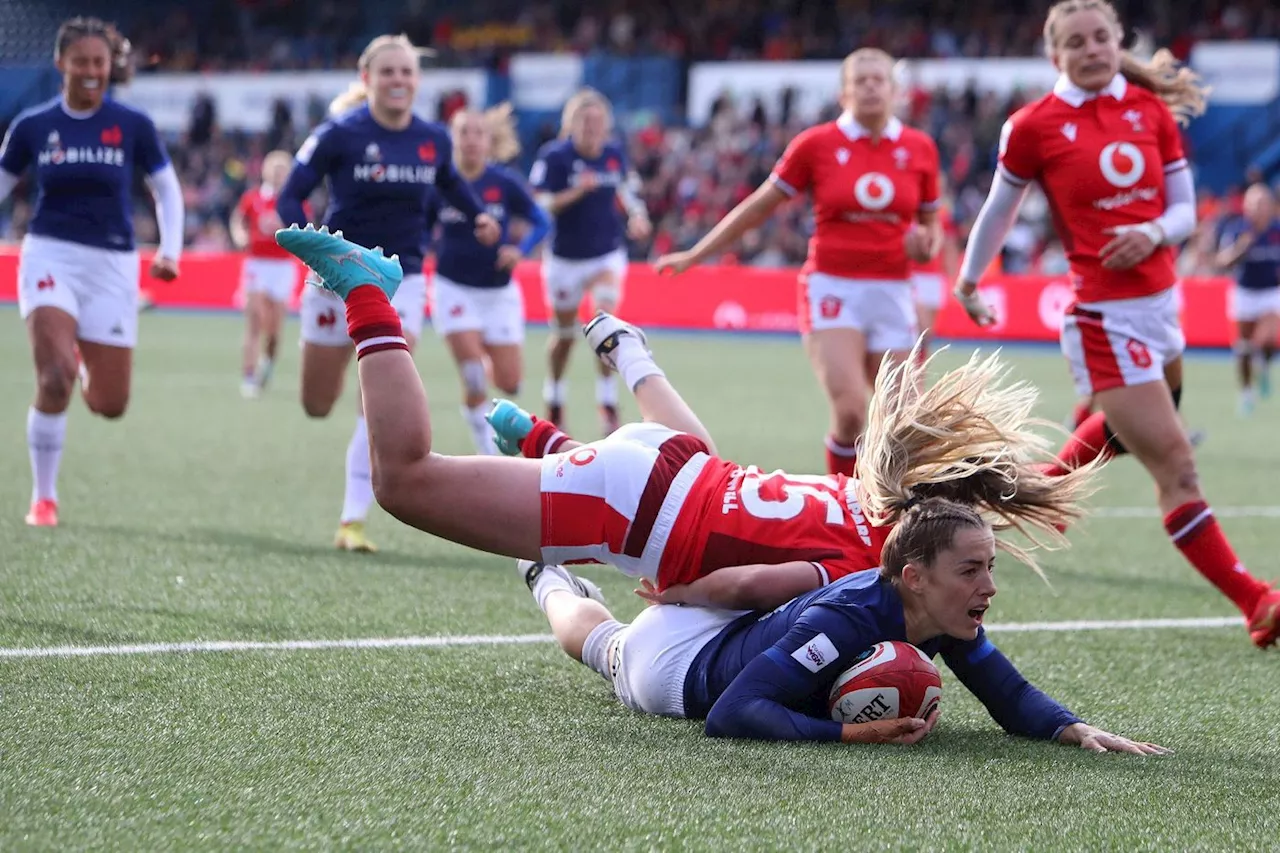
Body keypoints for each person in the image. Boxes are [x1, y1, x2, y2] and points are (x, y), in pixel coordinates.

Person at [275, 224, 1095, 613]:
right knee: (407, 482)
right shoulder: (866, 559)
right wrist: (670, 598)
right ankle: (369, 293)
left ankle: (589, 393)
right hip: (634, 502)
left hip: (679, 459)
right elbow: (742, 584)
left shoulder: (862, 492)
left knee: (701, 466)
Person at [951, 0, 1280, 648]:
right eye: (1076, 41)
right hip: (1103, 315)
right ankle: (1258, 601)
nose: (1092, 48)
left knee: (1134, 434)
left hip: (1162, 304)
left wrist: (1153, 231)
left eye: (1102, 36)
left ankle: (1017, 493)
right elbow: (997, 209)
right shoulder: (1033, 126)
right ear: (1055, 55)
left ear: (1117, 40)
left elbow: (1185, 210)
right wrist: (968, 278)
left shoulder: (1150, 110)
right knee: (1177, 465)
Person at [655, 49, 943, 478]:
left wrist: (924, 246)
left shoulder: (920, 148)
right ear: (844, 92)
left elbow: (930, 228)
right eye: (859, 80)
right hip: (833, 287)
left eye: (878, 79)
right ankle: (844, 506)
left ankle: (894, 514)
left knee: (904, 420)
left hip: (893, 290)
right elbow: (758, 207)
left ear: (895, 90)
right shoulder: (816, 144)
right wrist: (697, 253)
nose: (869, 87)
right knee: (850, 413)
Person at [275, 33, 499, 552]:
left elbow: (449, 184)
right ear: (366, 78)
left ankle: (352, 520)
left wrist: (479, 215)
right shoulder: (339, 134)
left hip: (403, 278)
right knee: (316, 402)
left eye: (406, 73)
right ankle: (352, 513)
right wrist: (310, 245)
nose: (398, 80)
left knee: (372, 398)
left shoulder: (433, 139)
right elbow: (291, 192)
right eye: (388, 72)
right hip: (336, 278)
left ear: (417, 82)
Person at [0, 16, 184, 527]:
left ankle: (79, 352)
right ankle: (44, 497)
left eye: (98, 62)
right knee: (53, 378)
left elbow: (166, 189)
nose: (90, 70)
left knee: (109, 403)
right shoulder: (33, 126)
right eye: (80, 61)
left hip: (113, 265)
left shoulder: (133, 126)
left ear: (110, 66)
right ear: (60, 63)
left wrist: (170, 251)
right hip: (49, 255)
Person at [530, 88, 651, 435]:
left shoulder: (614, 156)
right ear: (571, 124)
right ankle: (554, 394)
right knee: (565, 335)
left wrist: (637, 215)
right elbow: (540, 204)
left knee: (605, 322)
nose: (592, 128)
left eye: (598, 122)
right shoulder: (555, 157)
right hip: (565, 258)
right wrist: (576, 192)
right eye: (584, 121)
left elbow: (628, 190)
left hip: (605, 254)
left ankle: (608, 402)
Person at [429, 105, 549, 454]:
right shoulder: (440, 184)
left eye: (477, 133)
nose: (470, 140)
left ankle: (481, 400)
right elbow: (420, 227)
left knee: (510, 383)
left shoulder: (504, 182)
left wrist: (519, 249)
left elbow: (541, 221)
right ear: (453, 139)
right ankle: (487, 448)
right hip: (453, 288)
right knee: (473, 371)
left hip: (498, 293)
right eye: (463, 132)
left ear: (488, 139)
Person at [230, 149, 302, 398]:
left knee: (274, 330)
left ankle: (267, 363)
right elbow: (238, 219)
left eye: (283, 170)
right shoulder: (252, 198)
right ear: (265, 171)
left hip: (282, 267)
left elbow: (305, 228)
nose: (279, 174)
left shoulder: (294, 202)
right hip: (257, 264)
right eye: (275, 169)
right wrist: (240, 236)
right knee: (255, 320)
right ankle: (248, 376)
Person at [1215, 182, 1280, 415]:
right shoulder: (1236, 229)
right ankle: (1246, 391)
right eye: (1253, 203)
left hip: (1270, 292)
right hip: (1244, 292)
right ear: (1245, 206)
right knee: (1243, 347)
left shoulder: (1276, 230)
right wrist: (1242, 247)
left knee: (1269, 339)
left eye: (1263, 203)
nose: (1258, 208)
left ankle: (1264, 362)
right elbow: (1221, 262)